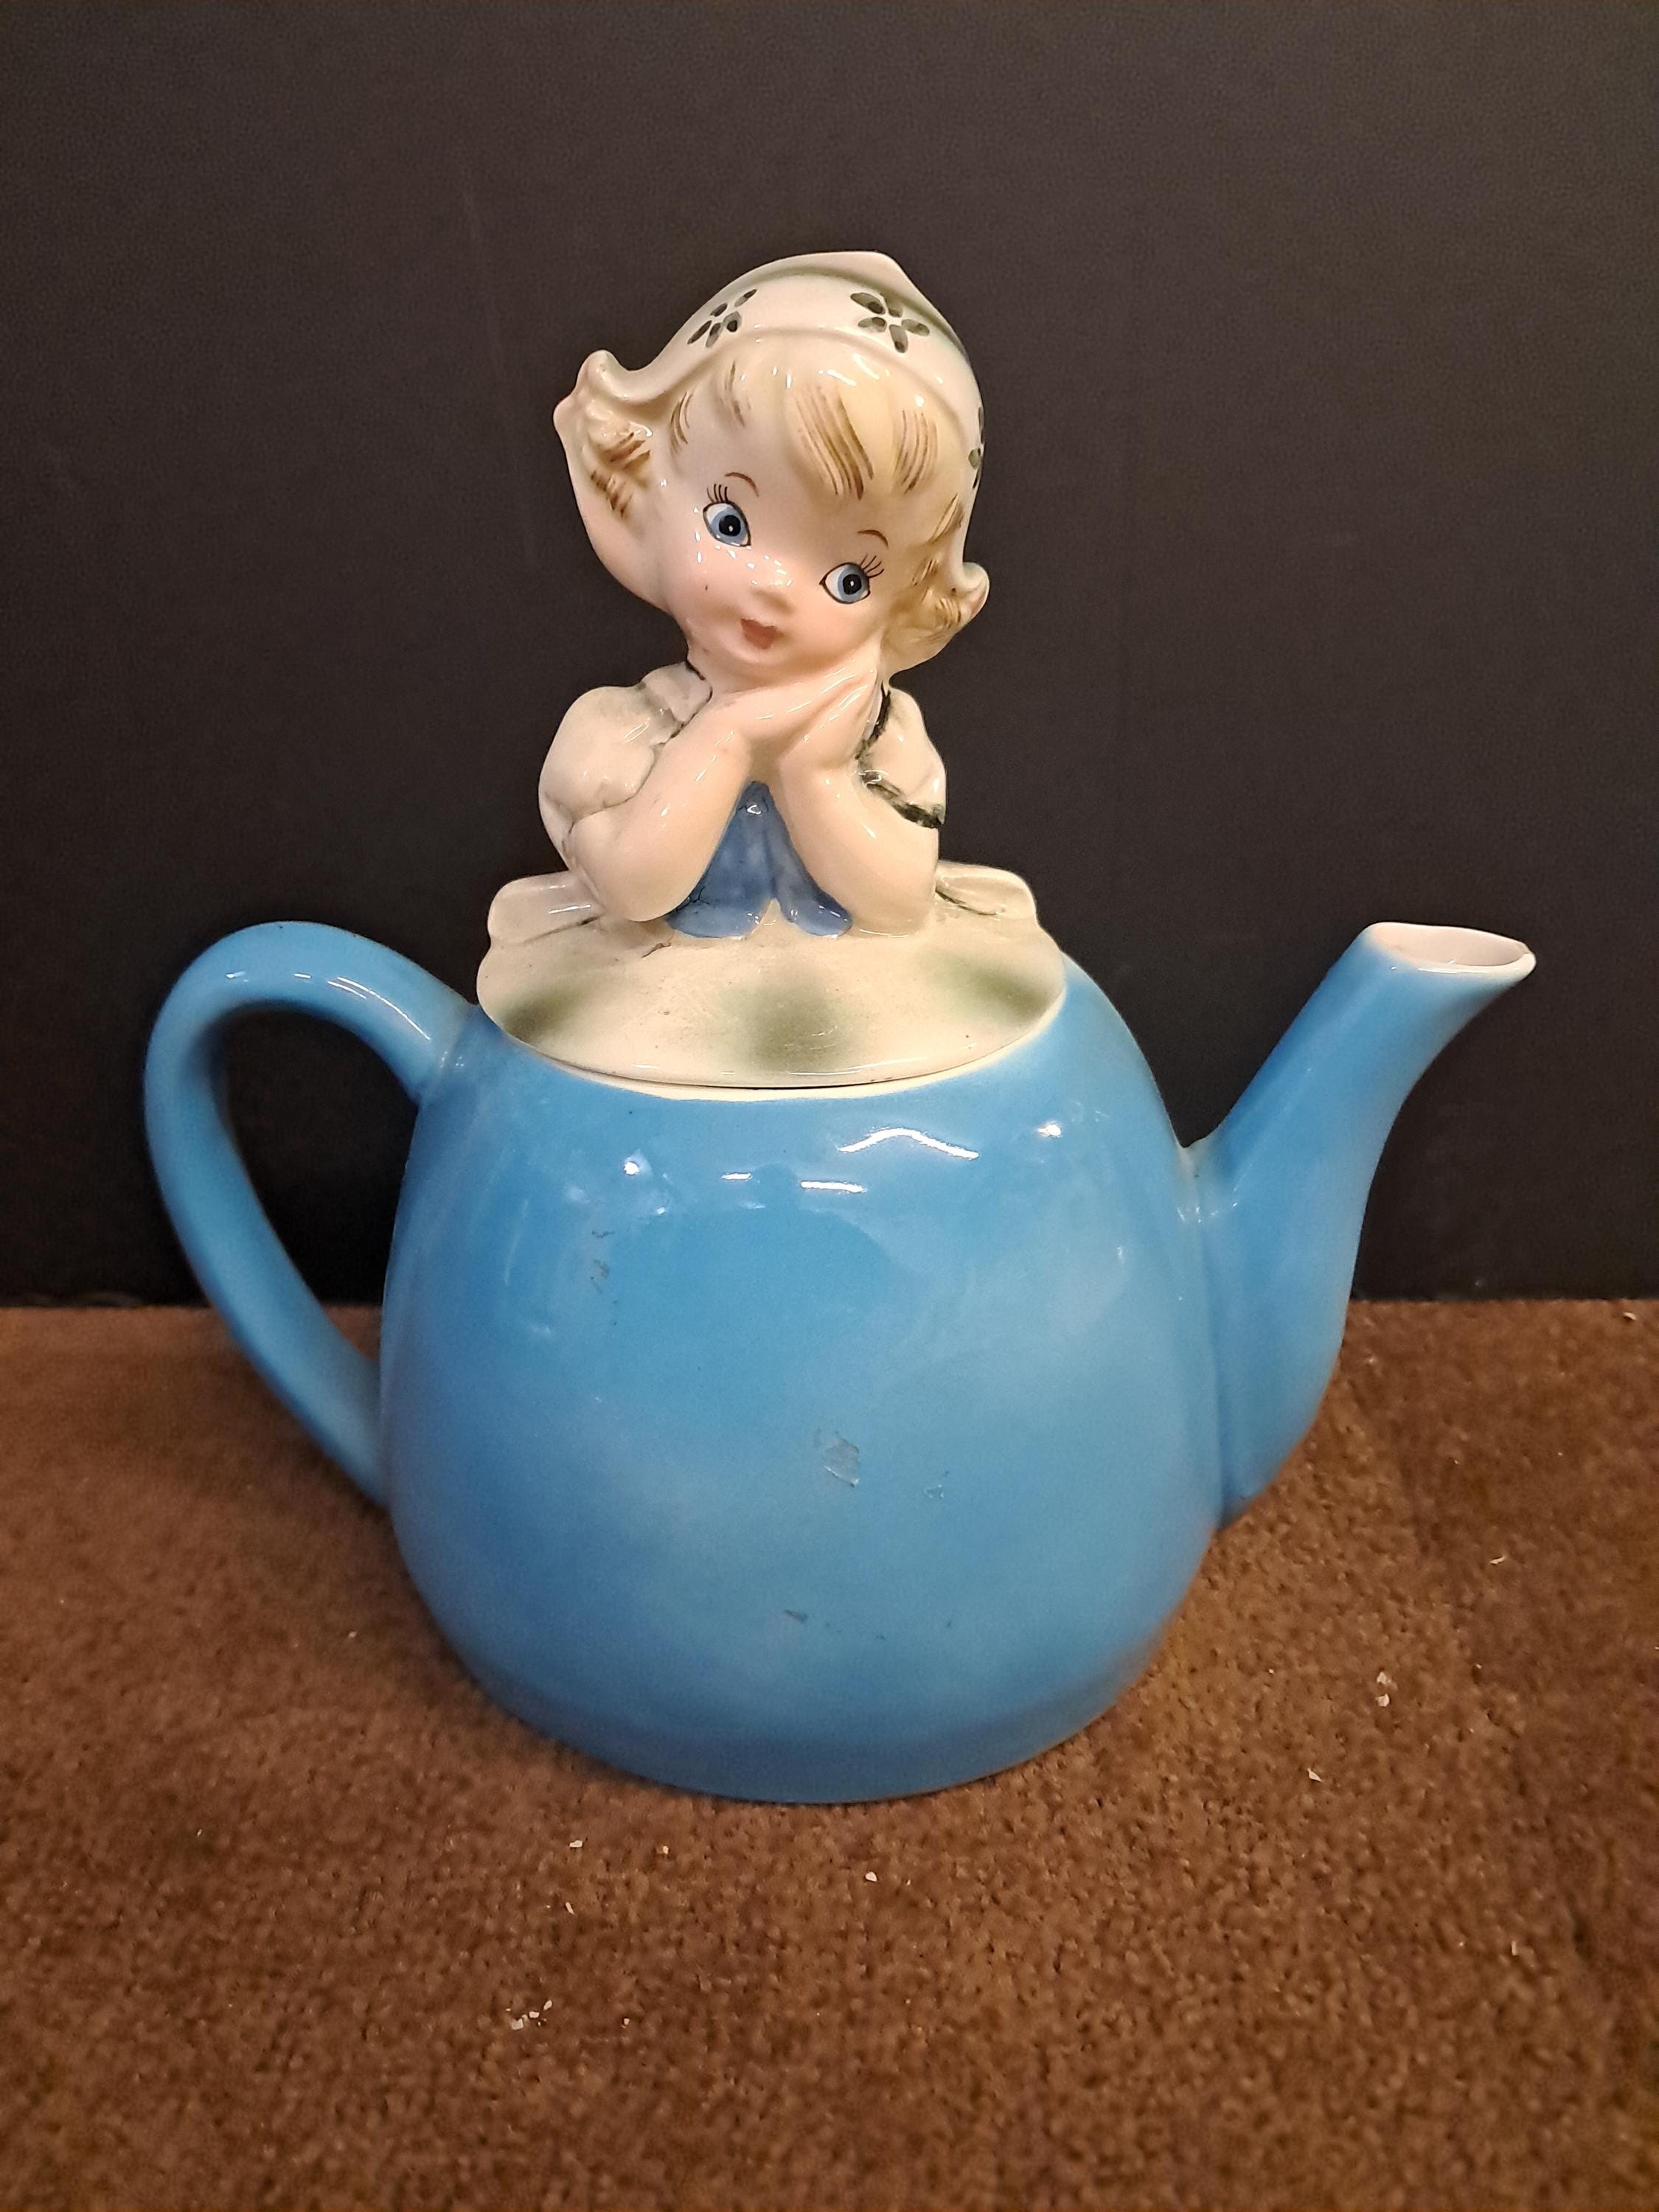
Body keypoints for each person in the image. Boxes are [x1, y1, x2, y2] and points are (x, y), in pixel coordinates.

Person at [529, 251, 990, 941]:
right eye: (730, 524)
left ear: (904, 599)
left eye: (849, 579)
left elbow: (898, 901)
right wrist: (728, 735)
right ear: (650, 491)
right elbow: (633, 886)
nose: (773, 588)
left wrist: (816, 772)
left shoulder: (880, 738)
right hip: (662, 999)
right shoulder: (622, 733)